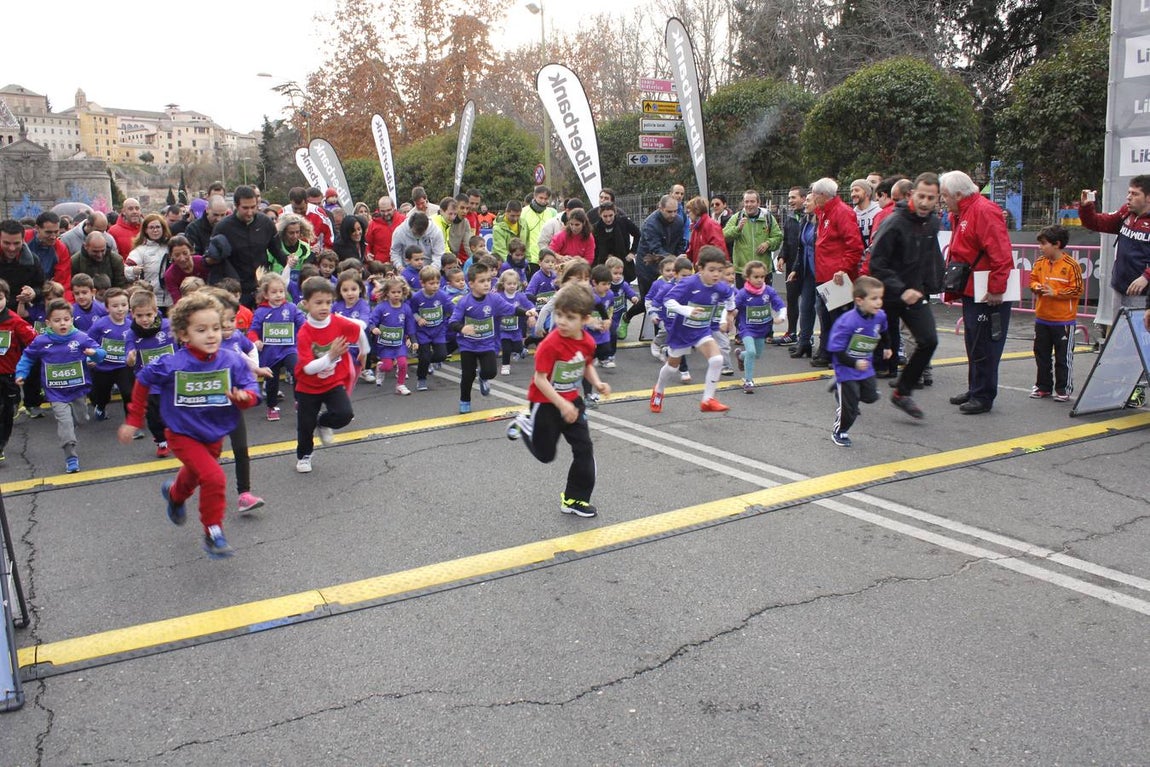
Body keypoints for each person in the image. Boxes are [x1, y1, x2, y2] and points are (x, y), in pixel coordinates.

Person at [118, 292, 261, 558]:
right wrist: (133, 419)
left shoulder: (231, 360)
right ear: (183, 335)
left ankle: (174, 495)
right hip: (181, 433)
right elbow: (143, 380)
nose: (211, 335)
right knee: (214, 477)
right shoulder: (172, 363)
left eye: (216, 328)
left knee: (196, 475)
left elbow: (250, 385)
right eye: (202, 329)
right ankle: (213, 532)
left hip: (214, 432)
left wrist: (246, 397)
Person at [507, 283, 610, 518]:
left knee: (584, 448)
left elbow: (585, 365)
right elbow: (541, 380)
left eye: (570, 317)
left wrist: (597, 382)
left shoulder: (587, 342)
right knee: (545, 456)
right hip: (545, 404)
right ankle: (524, 422)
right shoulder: (550, 345)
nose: (562, 321)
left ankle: (575, 499)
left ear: (585, 319)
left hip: (573, 402)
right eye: (559, 315)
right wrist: (561, 405)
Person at [868, 172, 944, 419]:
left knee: (929, 340)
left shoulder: (932, 222)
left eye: (930, 198)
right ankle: (847, 385)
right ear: (911, 194)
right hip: (886, 295)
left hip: (913, 294)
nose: (925, 202)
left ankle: (902, 391)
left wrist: (933, 285)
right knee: (867, 342)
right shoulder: (894, 222)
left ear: (937, 199)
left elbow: (930, 256)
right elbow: (876, 264)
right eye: (921, 196)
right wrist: (901, 289)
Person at [940, 170, 1014, 415]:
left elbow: (1001, 253)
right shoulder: (965, 211)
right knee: (974, 341)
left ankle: (983, 394)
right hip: (974, 287)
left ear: (959, 194)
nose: (943, 201)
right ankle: (976, 388)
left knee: (985, 343)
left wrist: (996, 289)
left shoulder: (983, 211)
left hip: (985, 289)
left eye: (946, 196)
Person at [15, 298, 106, 473]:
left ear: (71, 320)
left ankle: (74, 419)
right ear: (48, 322)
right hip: (55, 392)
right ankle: (71, 456)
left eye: (66, 319)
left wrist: (94, 354)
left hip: (78, 389)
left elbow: (101, 354)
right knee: (64, 424)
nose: (62, 323)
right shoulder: (42, 341)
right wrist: (21, 373)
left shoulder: (80, 337)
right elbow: (28, 357)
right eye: (57, 321)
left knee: (82, 419)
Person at [649, 246, 735, 414]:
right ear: (700, 268)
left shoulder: (721, 287)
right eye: (711, 270)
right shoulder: (689, 283)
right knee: (672, 367)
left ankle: (707, 400)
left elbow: (729, 301)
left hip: (702, 330)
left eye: (720, 270)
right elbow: (668, 301)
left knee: (717, 359)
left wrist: (726, 318)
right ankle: (658, 389)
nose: (716, 274)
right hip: (681, 331)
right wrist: (687, 311)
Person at [293, 276, 365, 474]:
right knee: (305, 426)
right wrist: (332, 355)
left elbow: (359, 328)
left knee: (345, 414)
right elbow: (308, 368)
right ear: (306, 304)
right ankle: (304, 455)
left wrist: (364, 350)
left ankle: (323, 422)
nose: (324, 307)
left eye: (328, 302)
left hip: (332, 382)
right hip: (308, 386)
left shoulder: (337, 321)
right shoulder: (304, 333)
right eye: (318, 303)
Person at [449, 262, 535, 413]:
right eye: (481, 281)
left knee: (490, 371)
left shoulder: (494, 299)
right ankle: (465, 401)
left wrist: (525, 312)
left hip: (487, 344)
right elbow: (453, 321)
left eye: (488, 280)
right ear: (471, 284)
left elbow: (511, 309)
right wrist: (463, 328)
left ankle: (483, 378)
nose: (486, 284)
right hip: (468, 345)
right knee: (468, 375)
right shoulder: (464, 302)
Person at [826, 276, 890, 447]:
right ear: (859, 300)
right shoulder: (846, 322)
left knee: (871, 397)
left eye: (880, 298)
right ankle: (840, 431)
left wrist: (887, 347)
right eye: (874, 298)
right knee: (851, 409)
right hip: (846, 367)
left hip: (865, 366)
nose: (879, 302)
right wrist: (853, 363)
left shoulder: (879, 316)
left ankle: (840, 389)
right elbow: (836, 350)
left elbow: (884, 332)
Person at [809, 177, 865, 367]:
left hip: (837, 276)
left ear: (823, 195)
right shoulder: (825, 211)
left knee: (839, 319)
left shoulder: (842, 212)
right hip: (825, 274)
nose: (812, 198)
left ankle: (839, 356)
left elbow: (855, 246)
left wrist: (843, 269)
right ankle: (826, 352)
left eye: (815, 194)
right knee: (825, 317)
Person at [1079, 176, 1150, 323]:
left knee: (1141, 338)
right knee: (1119, 336)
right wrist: (1086, 207)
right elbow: (1097, 223)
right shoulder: (1126, 212)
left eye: (1135, 194)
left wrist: (1146, 277)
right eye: (1129, 192)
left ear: (1148, 198)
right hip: (1120, 287)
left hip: (1144, 293)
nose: (1128, 197)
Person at [1028, 224, 1083, 402]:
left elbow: (1077, 289)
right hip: (1042, 318)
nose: (1040, 247)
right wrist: (1037, 287)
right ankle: (1043, 386)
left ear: (1057, 244)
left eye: (1044, 244)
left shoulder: (1071, 265)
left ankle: (1063, 388)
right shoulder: (1039, 263)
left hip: (1063, 321)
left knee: (1063, 357)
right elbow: (1033, 280)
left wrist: (1056, 293)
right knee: (1041, 354)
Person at [209, 185, 288, 307]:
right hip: (236, 290)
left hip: (261, 286)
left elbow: (277, 251)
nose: (250, 212)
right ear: (236, 205)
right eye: (245, 208)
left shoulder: (265, 223)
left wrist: (292, 268)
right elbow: (216, 262)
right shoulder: (223, 227)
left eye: (253, 207)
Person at [123, 288, 175, 457]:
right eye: (139, 316)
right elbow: (129, 356)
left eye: (148, 315)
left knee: (172, 411)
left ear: (155, 311)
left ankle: (175, 433)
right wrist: (130, 358)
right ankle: (161, 441)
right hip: (149, 382)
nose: (144, 319)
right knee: (153, 416)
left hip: (170, 379)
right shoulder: (131, 334)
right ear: (132, 314)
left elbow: (182, 342)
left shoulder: (167, 326)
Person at [247, 272, 305, 421]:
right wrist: (256, 341)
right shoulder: (261, 312)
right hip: (270, 353)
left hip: (289, 349)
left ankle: (299, 401)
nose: (279, 295)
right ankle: (271, 407)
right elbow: (252, 330)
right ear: (266, 294)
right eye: (274, 292)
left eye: (281, 291)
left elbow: (302, 323)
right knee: (272, 381)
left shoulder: (291, 308)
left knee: (297, 370)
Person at [734, 260, 785, 393]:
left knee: (756, 354)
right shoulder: (743, 294)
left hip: (762, 329)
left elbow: (780, 305)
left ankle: (740, 356)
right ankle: (748, 381)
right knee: (751, 351)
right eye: (756, 277)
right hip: (747, 328)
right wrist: (728, 317)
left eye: (762, 277)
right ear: (747, 277)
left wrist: (781, 317)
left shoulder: (768, 291)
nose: (760, 280)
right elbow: (732, 307)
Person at [634, 195, 686, 322]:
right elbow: (655, 249)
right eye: (669, 211)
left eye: (675, 211)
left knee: (670, 299)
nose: (673, 214)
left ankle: (666, 330)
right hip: (648, 266)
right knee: (648, 301)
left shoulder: (679, 221)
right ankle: (627, 317)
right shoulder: (650, 224)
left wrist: (678, 258)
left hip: (670, 265)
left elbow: (681, 242)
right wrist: (674, 259)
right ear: (660, 208)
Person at [0, 279, 36, 462]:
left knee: (8, 411)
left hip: (9, 375)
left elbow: (35, 342)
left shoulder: (15, 321)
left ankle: (3, 439)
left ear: (6, 298)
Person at [87, 287, 135, 421]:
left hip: (123, 367)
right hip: (103, 368)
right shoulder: (100, 325)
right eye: (115, 306)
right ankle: (101, 407)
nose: (120, 309)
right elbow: (87, 342)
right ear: (107, 308)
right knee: (102, 396)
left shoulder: (132, 326)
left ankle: (131, 422)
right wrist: (91, 357)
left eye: (124, 305)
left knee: (128, 393)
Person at [368, 276, 417, 395]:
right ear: (387, 293)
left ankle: (400, 385)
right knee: (388, 367)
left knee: (403, 363)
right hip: (385, 344)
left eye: (399, 292)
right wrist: (373, 328)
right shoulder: (381, 307)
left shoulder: (406, 309)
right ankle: (381, 368)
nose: (396, 295)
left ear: (403, 293)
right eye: (393, 292)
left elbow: (410, 325)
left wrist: (413, 340)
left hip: (399, 343)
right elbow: (371, 320)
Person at [723, 190, 780, 288]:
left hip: (763, 272)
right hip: (743, 271)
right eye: (746, 202)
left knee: (763, 301)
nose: (749, 205)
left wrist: (768, 243)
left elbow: (778, 237)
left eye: (752, 201)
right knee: (743, 302)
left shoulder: (768, 218)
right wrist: (738, 229)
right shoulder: (737, 217)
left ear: (758, 203)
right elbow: (723, 235)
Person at [408, 265, 451, 391]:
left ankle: (428, 363)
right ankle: (421, 379)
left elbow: (451, 309)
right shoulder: (417, 297)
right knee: (424, 356)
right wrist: (418, 319)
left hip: (438, 331)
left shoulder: (442, 296)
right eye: (431, 283)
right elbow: (412, 311)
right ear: (422, 283)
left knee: (442, 355)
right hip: (423, 332)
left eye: (437, 283)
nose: (435, 286)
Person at [775, 187, 805, 346]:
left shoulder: (811, 217)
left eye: (794, 198)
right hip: (791, 266)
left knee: (808, 303)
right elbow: (786, 242)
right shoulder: (790, 218)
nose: (790, 201)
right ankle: (791, 332)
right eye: (789, 198)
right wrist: (782, 257)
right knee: (792, 300)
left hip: (807, 267)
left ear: (803, 198)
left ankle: (806, 335)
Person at [126, 214, 173, 310]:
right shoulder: (140, 250)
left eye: (158, 227)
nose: (155, 230)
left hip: (171, 299)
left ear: (163, 228)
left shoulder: (171, 246)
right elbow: (126, 269)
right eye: (151, 227)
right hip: (151, 299)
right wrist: (133, 271)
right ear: (145, 230)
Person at [24, 212, 73, 300]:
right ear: (37, 228)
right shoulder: (24, 238)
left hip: (45, 294)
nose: (53, 237)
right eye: (48, 232)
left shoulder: (61, 249)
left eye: (56, 232)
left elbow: (62, 282)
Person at [496, 270, 534, 375]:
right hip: (503, 329)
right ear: (503, 284)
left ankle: (522, 350)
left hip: (516, 329)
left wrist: (532, 314)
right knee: (506, 348)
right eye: (509, 284)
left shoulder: (520, 296)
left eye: (514, 284)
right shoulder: (499, 296)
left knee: (517, 347)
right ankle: (505, 366)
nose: (512, 286)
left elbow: (530, 305)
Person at [684, 196, 727, 265]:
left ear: (696, 211)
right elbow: (691, 251)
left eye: (689, 212)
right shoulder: (696, 227)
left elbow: (718, 251)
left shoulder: (710, 225)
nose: (688, 215)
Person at [520, 185, 557, 264]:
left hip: (546, 259)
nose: (543, 201)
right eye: (541, 198)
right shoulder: (523, 212)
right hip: (529, 258)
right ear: (535, 196)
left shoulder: (551, 213)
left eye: (546, 199)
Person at [365, 195, 405, 262]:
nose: (386, 213)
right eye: (383, 211)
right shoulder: (372, 224)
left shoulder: (403, 220)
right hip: (381, 265)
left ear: (393, 207)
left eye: (388, 210)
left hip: (401, 262)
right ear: (379, 209)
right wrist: (368, 253)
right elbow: (367, 243)